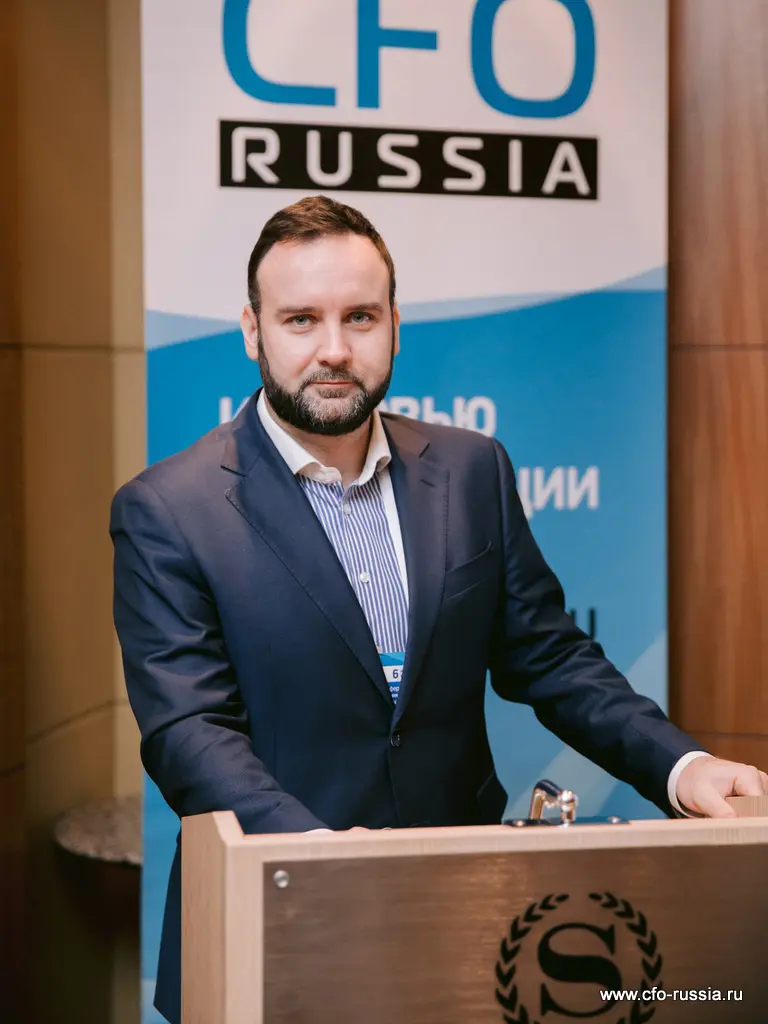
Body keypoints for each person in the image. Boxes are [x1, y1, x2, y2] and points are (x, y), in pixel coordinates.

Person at [111, 195, 767, 1024]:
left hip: (464, 920)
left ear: (395, 325)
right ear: (252, 331)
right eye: (301, 319)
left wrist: (682, 766)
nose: (334, 349)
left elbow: (551, 658)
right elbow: (188, 731)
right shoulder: (168, 509)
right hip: (268, 923)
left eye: (360, 316)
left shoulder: (470, 469)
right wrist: (313, 857)